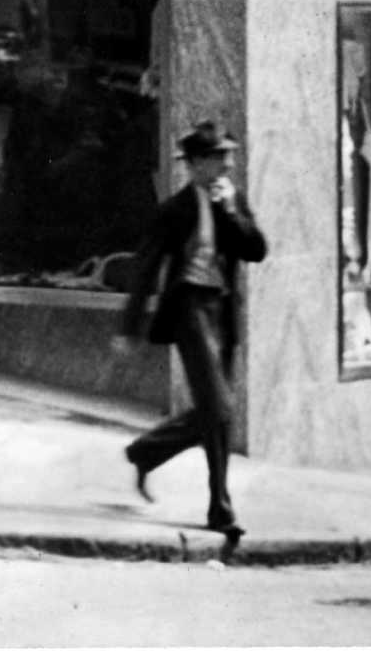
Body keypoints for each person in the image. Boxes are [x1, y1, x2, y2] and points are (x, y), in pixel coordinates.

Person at [115, 118, 267, 550]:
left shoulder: (232, 201)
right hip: (188, 309)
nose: (227, 165)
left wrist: (232, 212)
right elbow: (146, 267)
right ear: (196, 164)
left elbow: (256, 250)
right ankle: (221, 507)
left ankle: (147, 451)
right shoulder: (176, 209)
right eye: (219, 157)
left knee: (215, 409)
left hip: (222, 312)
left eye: (229, 156)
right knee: (219, 407)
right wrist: (129, 326)